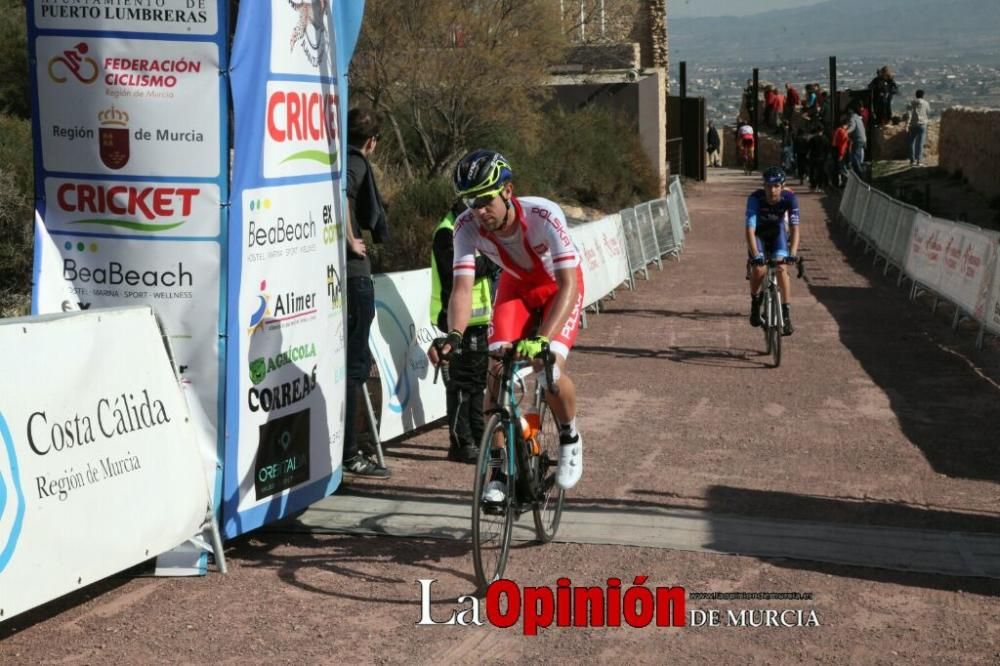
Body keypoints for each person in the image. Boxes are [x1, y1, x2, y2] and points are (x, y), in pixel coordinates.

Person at [430, 150, 585, 502]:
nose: (479, 210)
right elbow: (462, 287)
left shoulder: (544, 214)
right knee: (496, 374)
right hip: (516, 289)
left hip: (559, 287)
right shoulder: (465, 227)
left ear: (507, 190)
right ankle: (499, 472)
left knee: (548, 372)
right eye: (471, 202)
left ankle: (569, 435)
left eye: (485, 200)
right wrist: (453, 335)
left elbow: (569, 284)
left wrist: (542, 339)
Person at [342, 107, 391, 479]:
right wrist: (351, 241)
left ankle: (347, 450)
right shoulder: (355, 162)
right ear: (371, 142)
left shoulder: (337, 158)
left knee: (350, 367)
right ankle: (350, 454)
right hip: (354, 277)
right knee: (354, 368)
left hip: (342, 276)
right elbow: (344, 195)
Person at [430, 200, 497, 464]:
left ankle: (478, 438)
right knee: (462, 386)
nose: (478, 213)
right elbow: (454, 272)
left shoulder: (473, 229)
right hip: (456, 320)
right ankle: (460, 442)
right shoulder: (447, 231)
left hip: (478, 319)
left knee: (476, 384)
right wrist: (491, 261)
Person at [746, 166, 800, 336]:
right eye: (768, 186)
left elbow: (794, 228)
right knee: (759, 268)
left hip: (777, 233)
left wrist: (792, 253)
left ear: (782, 187)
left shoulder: (790, 198)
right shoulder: (755, 198)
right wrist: (755, 256)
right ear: (764, 186)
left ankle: (786, 314)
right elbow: (749, 229)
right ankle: (755, 302)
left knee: (782, 268)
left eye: (776, 186)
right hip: (759, 234)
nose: (772, 190)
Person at [906, 89, 931, 166]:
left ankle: (912, 160)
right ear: (923, 95)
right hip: (922, 124)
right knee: (920, 143)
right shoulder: (926, 103)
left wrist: (908, 122)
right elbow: (928, 112)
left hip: (913, 124)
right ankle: (919, 161)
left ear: (916, 95)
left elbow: (908, 112)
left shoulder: (911, 102)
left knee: (911, 142)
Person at [846, 103, 867, 179]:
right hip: (863, 139)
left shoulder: (852, 118)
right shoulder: (858, 117)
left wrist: (845, 131)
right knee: (858, 157)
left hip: (858, 140)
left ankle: (860, 176)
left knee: (855, 158)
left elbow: (852, 127)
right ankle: (858, 175)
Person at [831, 116, 851, 187]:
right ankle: (844, 183)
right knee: (842, 168)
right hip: (840, 151)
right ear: (846, 125)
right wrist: (841, 154)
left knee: (836, 167)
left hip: (834, 150)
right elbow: (843, 145)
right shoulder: (843, 132)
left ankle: (836, 182)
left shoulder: (837, 130)